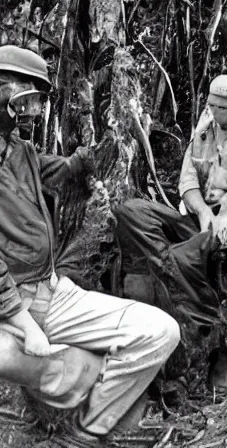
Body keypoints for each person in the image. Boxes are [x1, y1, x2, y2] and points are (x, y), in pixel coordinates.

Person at [0, 45, 180, 447]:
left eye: (34, 102)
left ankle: (86, 430)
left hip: (50, 292)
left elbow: (56, 169)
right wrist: (27, 326)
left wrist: (89, 157)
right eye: (22, 100)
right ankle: (71, 395)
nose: (30, 112)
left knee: (160, 331)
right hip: (16, 305)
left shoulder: (20, 150)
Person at [112, 74, 227, 326]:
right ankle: (165, 264)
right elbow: (187, 182)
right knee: (130, 211)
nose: (215, 112)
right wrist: (203, 212)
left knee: (183, 258)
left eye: (222, 107)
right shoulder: (203, 132)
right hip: (200, 218)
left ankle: (202, 317)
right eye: (212, 106)